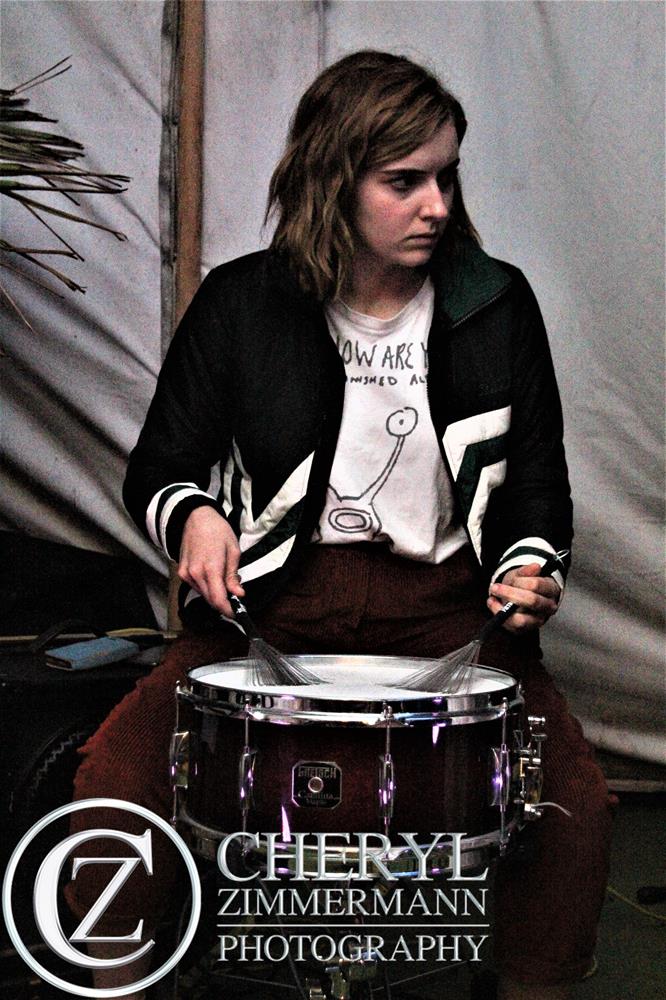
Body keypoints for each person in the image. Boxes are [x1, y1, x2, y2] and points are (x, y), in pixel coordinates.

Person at [66, 50, 613, 999]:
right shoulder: (243, 302)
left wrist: (532, 573)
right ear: (334, 179)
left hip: (448, 610)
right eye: (404, 181)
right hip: (274, 604)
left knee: (575, 812)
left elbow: (537, 488)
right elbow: (161, 465)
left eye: (446, 176)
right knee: (113, 788)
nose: (436, 205)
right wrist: (195, 516)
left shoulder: (497, 304)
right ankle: (107, 976)